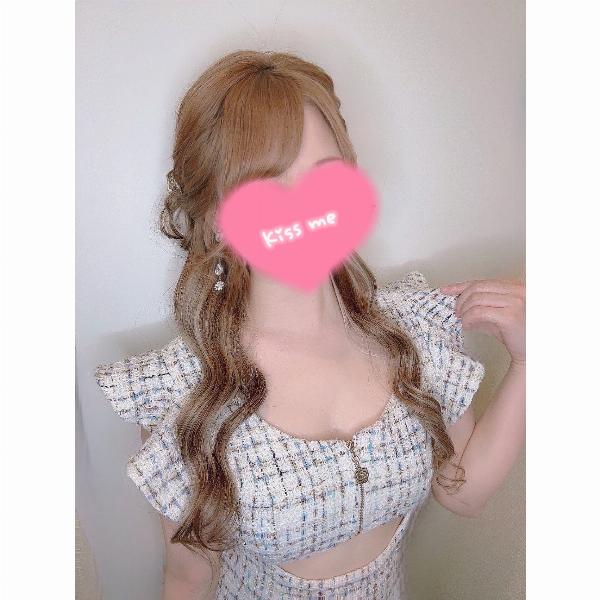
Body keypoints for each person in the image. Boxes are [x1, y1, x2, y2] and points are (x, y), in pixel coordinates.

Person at [95, 50, 525, 600]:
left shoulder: (413, 332)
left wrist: (529, 361)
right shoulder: (183, 394)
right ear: (215, 217)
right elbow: (188, 577)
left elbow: (464, 492)